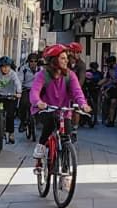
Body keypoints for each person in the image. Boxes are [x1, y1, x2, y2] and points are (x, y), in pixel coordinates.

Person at [30, 44, 89, 174]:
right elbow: (34, 92)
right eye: (62, 58)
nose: (66, 61)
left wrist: (83, 104)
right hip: (45, 110)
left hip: (63, 111)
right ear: (54, 60)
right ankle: (41, 147)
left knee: (67, 136)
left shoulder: (70, 75)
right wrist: (38, 102)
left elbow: (77, 92)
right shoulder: (42, 75)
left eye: (66, 58)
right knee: (50, 122)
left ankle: (66, 170)